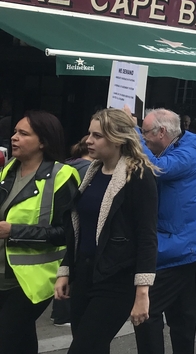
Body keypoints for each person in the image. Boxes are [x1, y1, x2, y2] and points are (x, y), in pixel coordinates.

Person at [56, 108, 158, 354]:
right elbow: (79, 228)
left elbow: (147, 236)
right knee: (94, 346)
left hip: (116, 279)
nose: (88, 140)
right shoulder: (91, 173)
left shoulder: (139, 176)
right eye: (89, 134)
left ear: (118, 139)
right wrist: (66, 269)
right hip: (84, 274)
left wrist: (142, 291)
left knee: (82, 348)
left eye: (97, 136)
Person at [135, 108, 196, 354]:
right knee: (182, 310)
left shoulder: (187, 154)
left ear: (162, 132)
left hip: (186, 242)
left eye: (145, 133)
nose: (143, 138)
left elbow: (156, 168)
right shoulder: (182, 148)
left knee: (147, 309)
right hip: (185, 240)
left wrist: (129, 131)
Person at [0, 111, 80, 354]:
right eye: (14, 132)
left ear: (43, 141)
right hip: (4, 273)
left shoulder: (62, 175)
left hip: (32, 280)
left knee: (6, 338)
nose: (14, 138)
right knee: (20, 339)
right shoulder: (9, 169)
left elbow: (67, 233)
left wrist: (14, 231)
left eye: (23, 134)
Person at [51, 135, 95, 327]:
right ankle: (62, 315)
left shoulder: (68, 164)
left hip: (62, 219)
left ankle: (59, 313)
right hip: (75, 226)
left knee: (65, 270)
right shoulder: (89, 169)